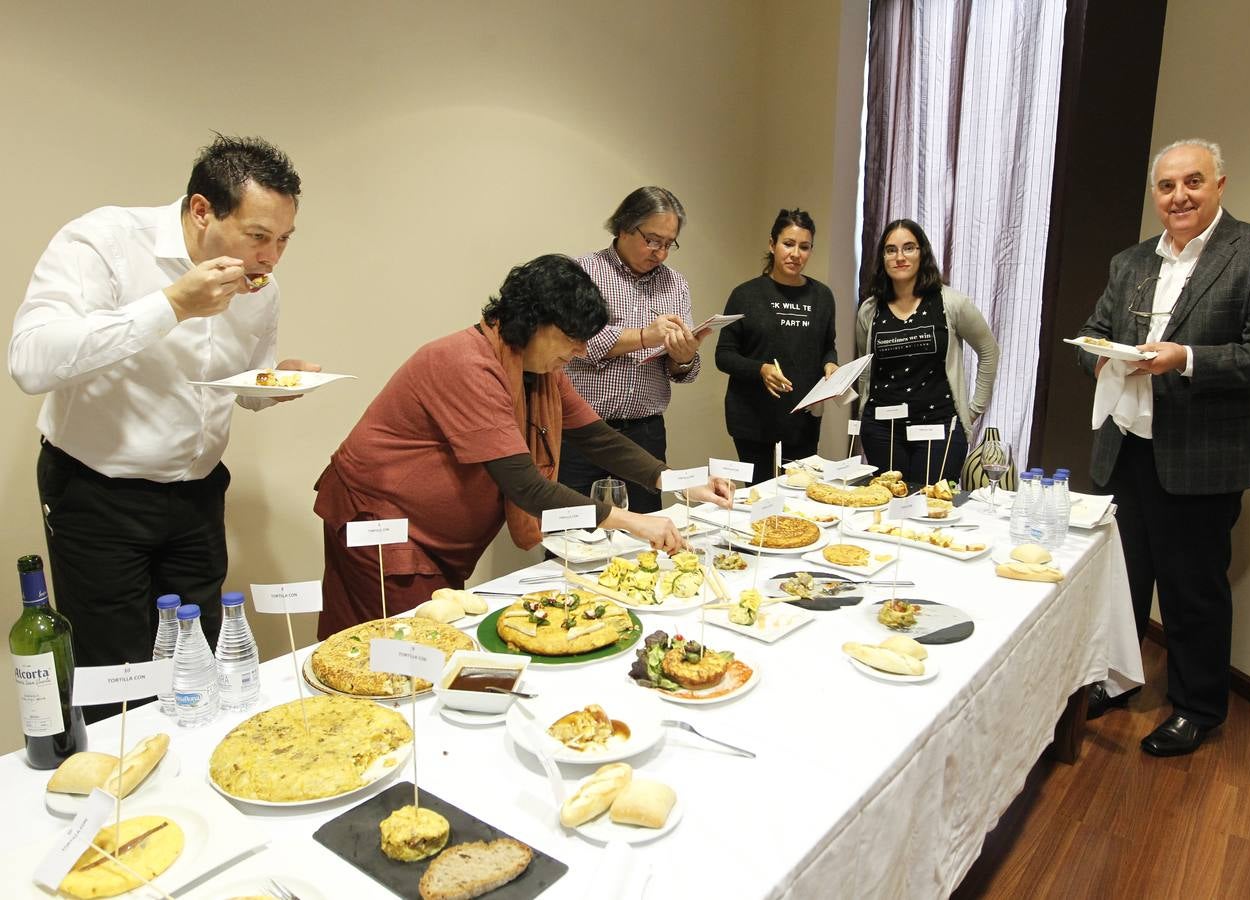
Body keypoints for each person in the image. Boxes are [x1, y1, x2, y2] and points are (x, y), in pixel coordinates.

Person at [9, 135, 314, 721]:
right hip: (98, 494)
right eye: (258, 237)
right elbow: (30, 361)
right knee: (117, 672)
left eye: (283, 241)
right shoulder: (104, 242)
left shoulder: (261, 289)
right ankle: (123, 803)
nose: (271, 259)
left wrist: (275, 384)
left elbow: (239, 387)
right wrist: (171, 304)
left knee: (197, 664)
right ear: (202, 210)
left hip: (198, 492)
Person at [313, 255, 731, 639]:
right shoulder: (467, 363)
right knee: (404, 653)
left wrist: (682, 482)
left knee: (426, 651)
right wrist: (634, 522)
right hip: (382, 526)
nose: (581, 351)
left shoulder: (539, 369)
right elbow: (526, 487)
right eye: (572, 337)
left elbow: (597, 438)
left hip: (431, 539)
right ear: (532, 323)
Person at [1078, 139, 1250, 755]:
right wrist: (1096, 361)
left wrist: (1186, 359)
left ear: (1220, 185)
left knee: (1192, 590)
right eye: (1168, 187)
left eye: (1193, 182)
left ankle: (1198, 707)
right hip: (1126, 448)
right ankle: (1115, 680)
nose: (1180, 197)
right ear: (1156, 196)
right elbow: (1093, 332)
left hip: (1201, 457)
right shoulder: (1130, 262)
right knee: (1121, 579)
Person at [559, 187, 712, 513]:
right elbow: (575, 343)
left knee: (646, 537)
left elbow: (683, 372)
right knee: (572, 538)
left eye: (669, 244)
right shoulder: (583, 272)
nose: (660, 253)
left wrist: (683, 357)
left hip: (645, 433)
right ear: (624, 226)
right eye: (653, 240)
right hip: (581, 430)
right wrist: (644, 336)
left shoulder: (675, 283)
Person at [855, 219, 998, 487]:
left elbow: (989, 351)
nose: (899, 257)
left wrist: (974, 409)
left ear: (922, 252)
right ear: (882, 258)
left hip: (939, 427)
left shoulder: (952, 303)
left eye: (908, 248)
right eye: (890, 250)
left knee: (933, 511)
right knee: (887, 512)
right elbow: (866, 367)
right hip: (883, 430)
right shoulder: (869, 310)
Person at [715, 208, 838, 483]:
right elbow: (723, 356)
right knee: (761, 500)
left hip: (803, 420)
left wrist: (831, 363)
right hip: (753, 420)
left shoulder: (822, 296)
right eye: (788, 244)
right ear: (772, 245)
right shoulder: (745, 295)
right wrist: (761, 369)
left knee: (799, 499)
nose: (796, 254)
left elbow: (828, 345)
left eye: (804, 247)